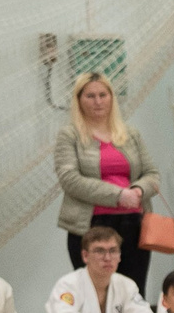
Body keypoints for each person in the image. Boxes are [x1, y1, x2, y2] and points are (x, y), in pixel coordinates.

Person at [53, 71, 161, 289]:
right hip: (91, 225)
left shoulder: (130, 134)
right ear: (79, 100)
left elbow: (152, 174)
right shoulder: (69, 135)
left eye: (103, 95)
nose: (98, 101)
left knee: (133, 290)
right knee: (96, 292)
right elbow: (70, 179)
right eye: (90, 96)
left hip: (134, 224)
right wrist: (118, 195)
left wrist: (138, 191)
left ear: (112, 98)